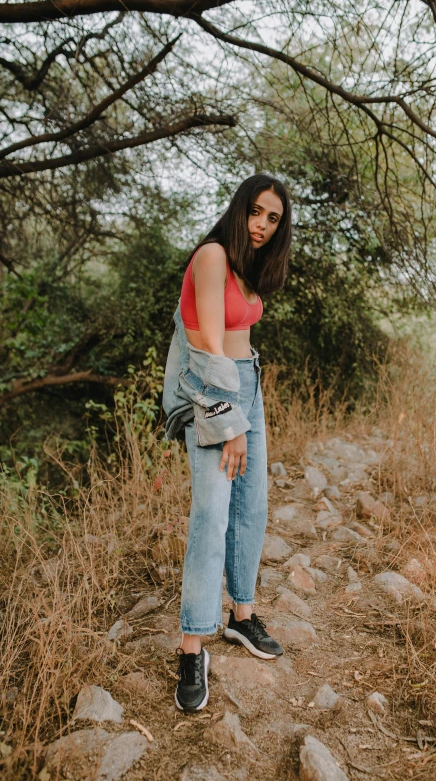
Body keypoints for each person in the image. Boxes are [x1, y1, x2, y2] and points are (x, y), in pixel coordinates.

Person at [162, 174, 292, 712]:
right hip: (213, 385)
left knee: (250, 507)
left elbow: (240, 341)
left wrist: (247, 403)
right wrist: (230, 420)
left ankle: (242, 616)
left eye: (273, 219)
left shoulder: (247, 266)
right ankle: (193, 644)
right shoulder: (213, 255)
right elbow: (210, 343)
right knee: (211, 513)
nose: (262, 225)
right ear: (239, 209)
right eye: (256, 212)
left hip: (247, 381)